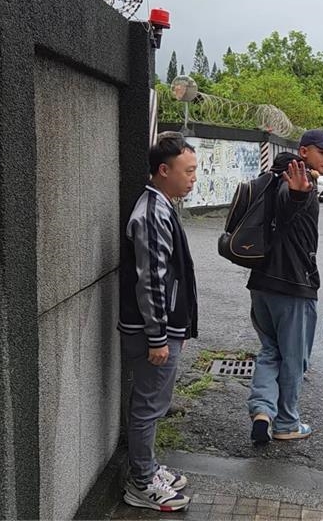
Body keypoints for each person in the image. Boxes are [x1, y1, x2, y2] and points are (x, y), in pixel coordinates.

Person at [117, 132, 199, 511]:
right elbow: (151, 281)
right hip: (153, 332)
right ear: (163, 171)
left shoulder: (161, 207)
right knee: (149, 405)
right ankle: (142, 482)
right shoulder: (151, 215)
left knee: (152, 402)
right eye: (188, 171)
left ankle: (147, 468)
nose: (193, 178)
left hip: (158, 329)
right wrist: (158, 337)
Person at [247, 129, 323, 444]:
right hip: (292, 286)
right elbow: (288, 206)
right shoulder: (296, 183)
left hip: (261, 283)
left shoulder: (271, 178)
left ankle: (262, 411)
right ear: (303, 152)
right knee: (295, 357)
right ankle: (286, 422)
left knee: (270, 350)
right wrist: (300, 193)